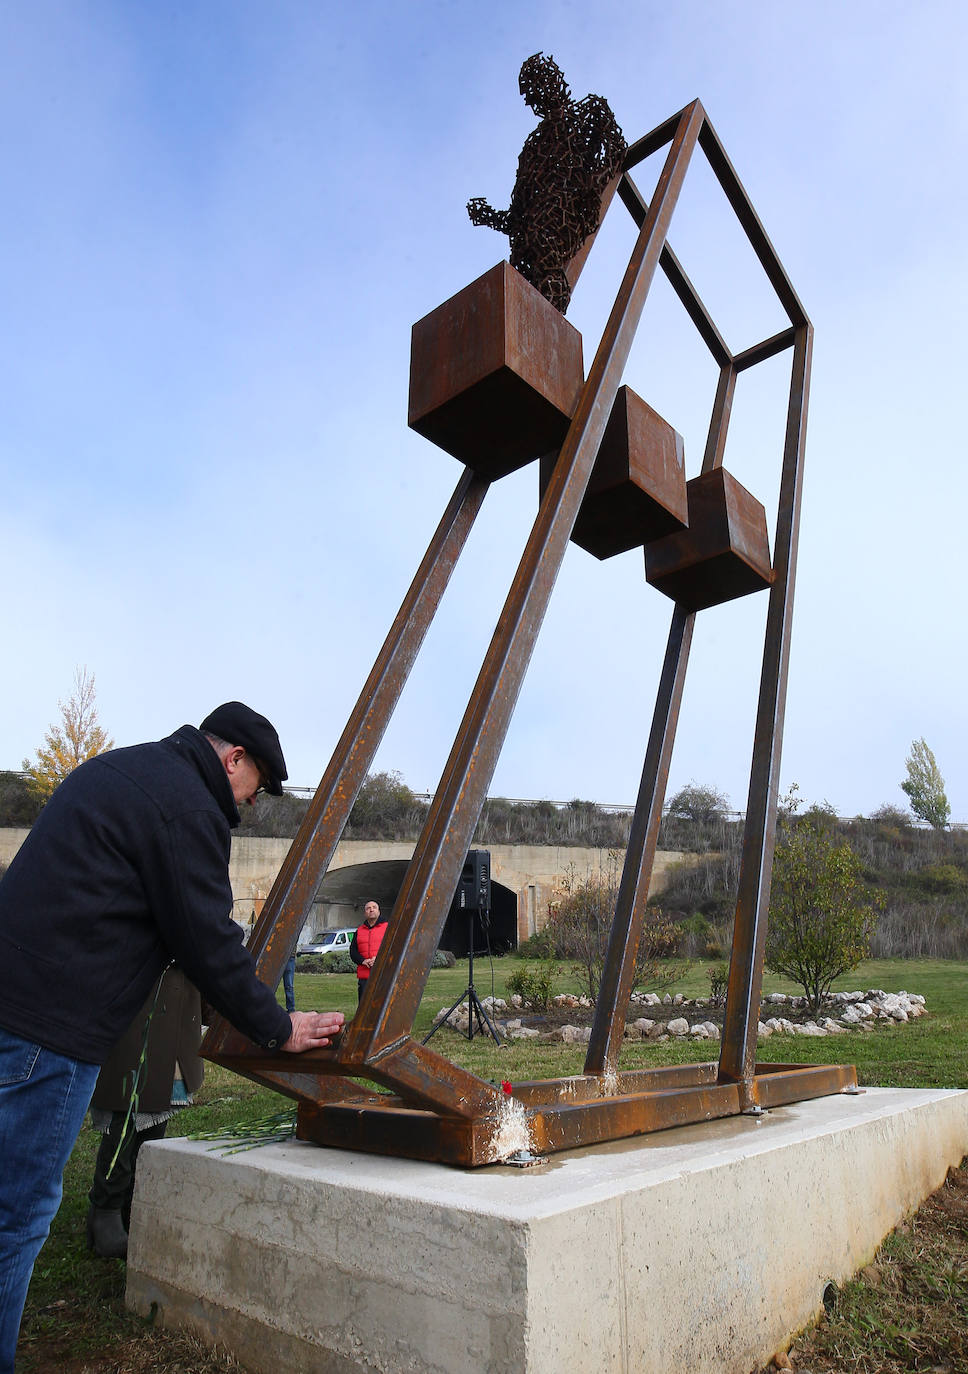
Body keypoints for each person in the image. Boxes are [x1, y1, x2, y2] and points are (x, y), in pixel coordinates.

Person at [0, 701, 344, 1372]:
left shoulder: (120, 769)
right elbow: (207, 938)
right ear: (232, 759)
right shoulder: (189, 807)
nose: (247, 806)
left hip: (15, 1003)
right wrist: (275, 1026)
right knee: (15, 1216)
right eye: (256, 786)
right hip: (50, 1028)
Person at [87, 965, 202, 1260]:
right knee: (125, 1112)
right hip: (137, 1007)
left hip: (174, 1006)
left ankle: (130, 1205)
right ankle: (106, 1211)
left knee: (155, 1111)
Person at [350, 900, 388, 1003]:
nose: (371, 910)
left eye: (374, 907)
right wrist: (363, 961)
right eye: (368, 908)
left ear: (379, 911)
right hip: (364, 976)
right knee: (364, 1006)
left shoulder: (389, 928)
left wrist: (379, 959)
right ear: (364, 913)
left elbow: (394, 949)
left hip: (383, 974)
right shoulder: (359, 931)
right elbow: (353, 952)